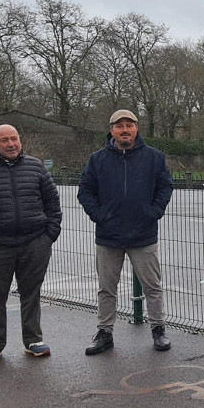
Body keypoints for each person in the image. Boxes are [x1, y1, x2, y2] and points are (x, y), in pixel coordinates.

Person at [0, 124, 62, 363]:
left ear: (20, 140)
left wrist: (49, 234)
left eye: (14, 138)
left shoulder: (36, 167)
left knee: (31, 294)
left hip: (34, 242)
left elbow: (52, 202)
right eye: (4, 140)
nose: (11, 144)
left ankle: (33, 340)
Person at [77, 109, 173, 354]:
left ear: (136, 128)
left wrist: (153, 212)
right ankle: (104, 333)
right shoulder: (97, 160)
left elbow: (165, 187)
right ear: (112, 131)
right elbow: (85, 191)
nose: (125, 130)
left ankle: (158, 329)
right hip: (108, 236)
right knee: (106, 289)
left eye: (129, 125)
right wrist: (99, 215)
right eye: (119, 126)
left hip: (143, 235)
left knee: (152, 287)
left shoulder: (154, 158)